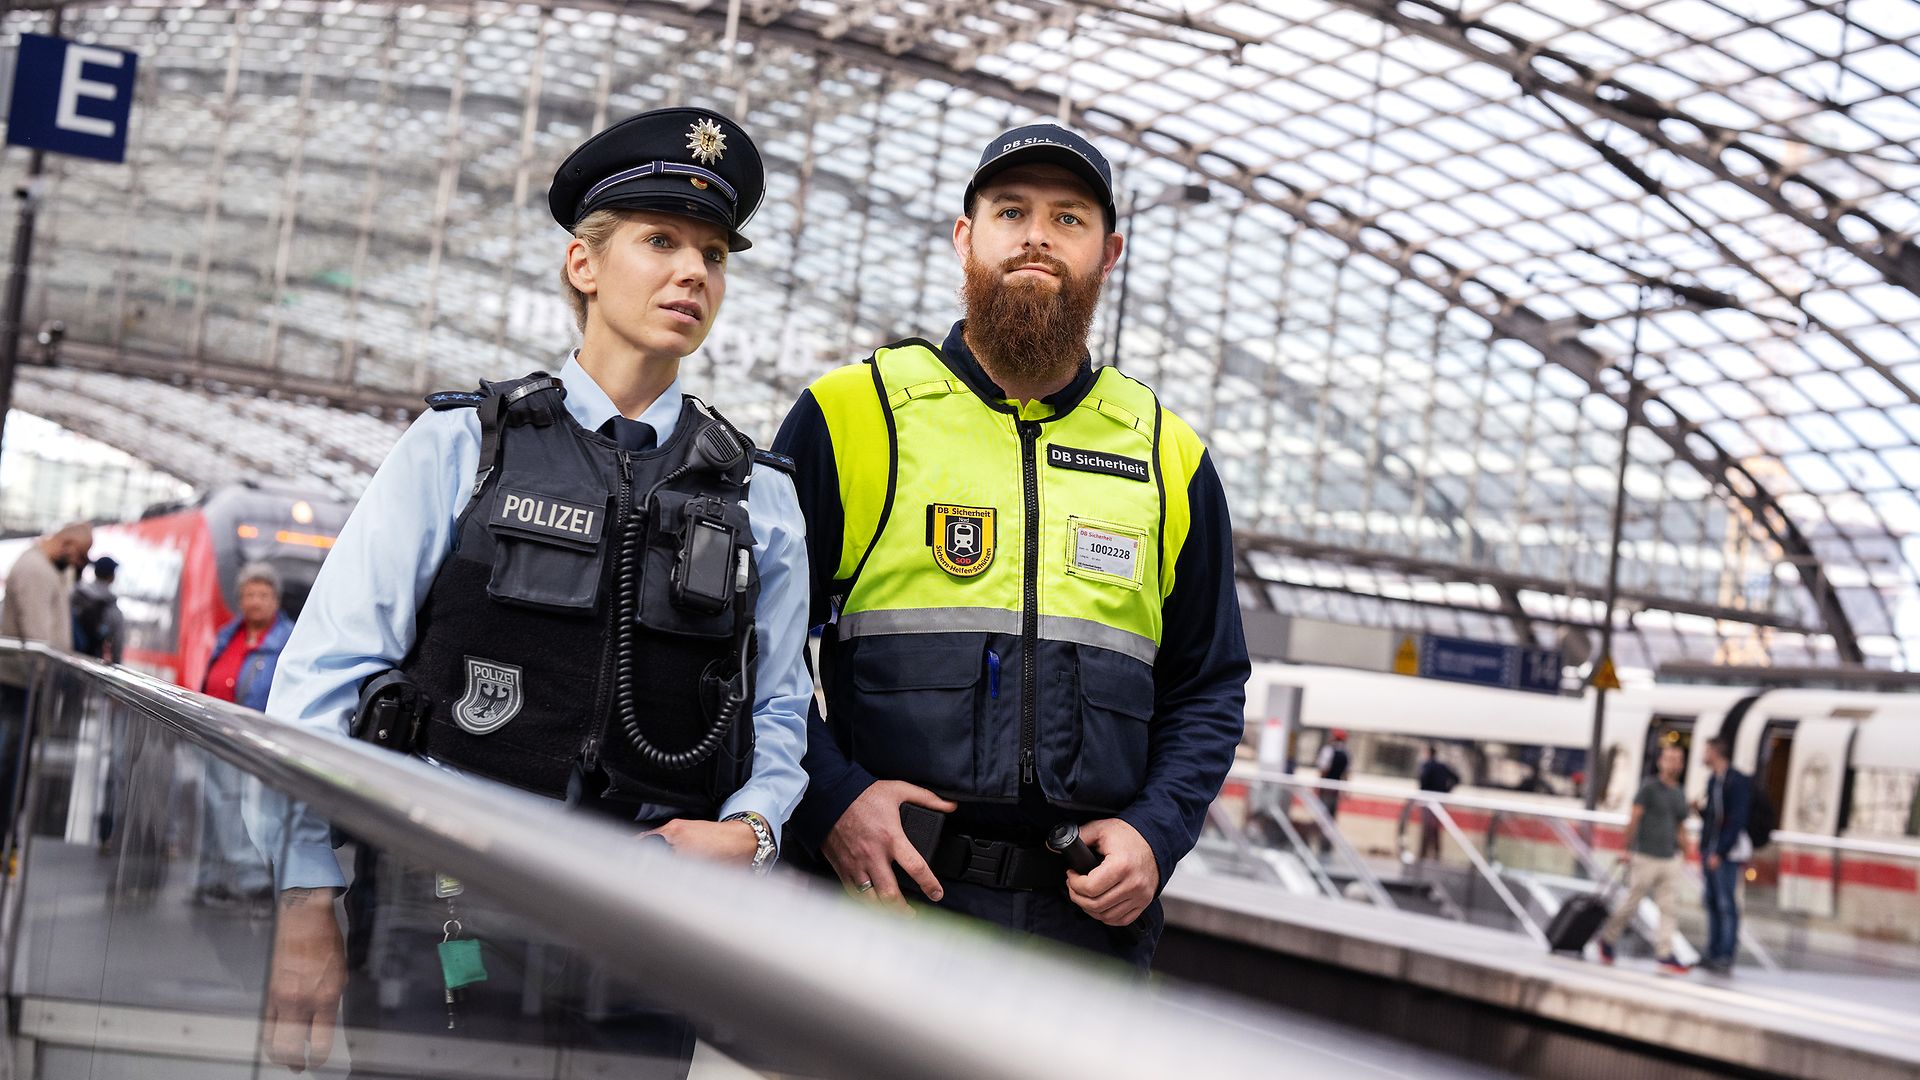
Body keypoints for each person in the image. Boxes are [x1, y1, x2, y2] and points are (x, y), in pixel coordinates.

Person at [256, 108, 810, 1075]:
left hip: (648, 923)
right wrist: (306, 902)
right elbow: (326, 677)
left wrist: (752, 830)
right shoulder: (466, 448)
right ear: (582, 266)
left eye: (715, 254)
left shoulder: (759, 497)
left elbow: (779, 710)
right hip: (448, 908)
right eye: (660, 241)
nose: (693, 272)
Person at [773, 123, 1248, 969]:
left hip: (1085, 933)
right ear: (967, 239)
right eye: (1009, 211)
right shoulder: (853, 415)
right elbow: (750, 650)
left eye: (1069, 218)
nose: (1036, 234)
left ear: (1111, 254)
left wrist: (1157, 830)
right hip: (883, 909)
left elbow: (1207, 684)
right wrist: (833, 802)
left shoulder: (1166, 454)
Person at [194, 562, 292, 907]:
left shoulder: (287, 640)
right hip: (216, 732)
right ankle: (211, 880)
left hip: (252, 737)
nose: (255, 601)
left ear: (276, 600)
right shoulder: (229, 633)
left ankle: (250, 880)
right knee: (214, 807)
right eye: (249, 594)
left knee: (235, 805)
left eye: (263, 594)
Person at [0, 522, 92, 830]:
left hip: (25, 682)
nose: (78, 565)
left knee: (14, 765)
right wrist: (47, 676)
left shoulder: (41, 568)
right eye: (80, 556)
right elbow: (37, 633)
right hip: (19, 683)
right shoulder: (36, 571)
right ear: (66, 543)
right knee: (9, 766)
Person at [1596, 743, 1690, 973]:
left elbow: (1679, 826)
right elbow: (1634, 818)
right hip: (1645, 855)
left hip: (1669, 857)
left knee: (1669, 907)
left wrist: (1686, 851)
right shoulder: (1649, 788)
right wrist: (1626, 849)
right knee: (1632, 901)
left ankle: (1665, 953)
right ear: (1660, 761)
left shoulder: (1679, 793)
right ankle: (1608, 938)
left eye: (1677, 759)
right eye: (1668, 758)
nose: (1673, 764)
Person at [1697, 735, 1752, 975]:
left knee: (1726, 903)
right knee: (1710, 900)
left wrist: (1720, 851)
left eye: (1706, 750)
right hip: (1709, 848)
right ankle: (1713, 951)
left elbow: (1736, 819)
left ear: (1716, 752)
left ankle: (1726, 954)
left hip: (1726, 854)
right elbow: (1713, 817)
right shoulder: (1713, 781)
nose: (1703, 755)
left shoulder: (1736, 781)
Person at [71, 555, 126, 664]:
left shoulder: (75, 594)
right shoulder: (113, 608)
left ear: (95, 573)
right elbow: (117, 645)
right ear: (112, 576)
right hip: (91, 662)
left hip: (66, 655)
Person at [1414, 742, 1459, 862]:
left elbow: (1423, 783)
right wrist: (1446, 791)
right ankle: (1436, 854)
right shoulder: (1442, 766)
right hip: (1439, 800)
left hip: (1429, 801)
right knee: (1434, 829)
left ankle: (1423, 854)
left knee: (1427, 828)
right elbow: (1456, 778)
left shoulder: (1427, 766)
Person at [1313, 730, 1349, 853]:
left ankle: (1320, 842)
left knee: (1322, 816)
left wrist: (1319, 785)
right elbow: (1346, 774)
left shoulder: (1328, 751)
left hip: (1326, 788)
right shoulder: (1346, 753)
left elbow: (1324, 769)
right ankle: (1326, 845)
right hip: (1336, 789)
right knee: (1331, 817)